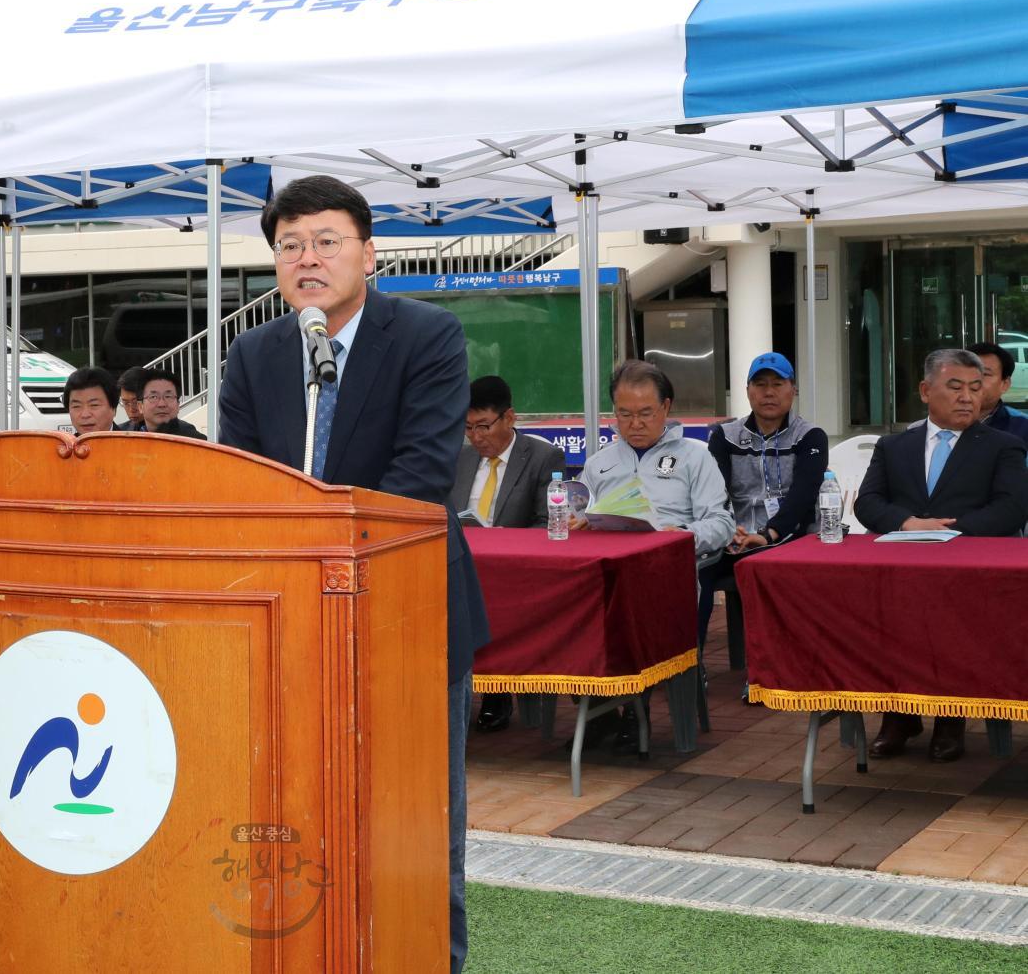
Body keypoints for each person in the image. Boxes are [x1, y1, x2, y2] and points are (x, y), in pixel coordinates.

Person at [218, 175, 487, 973]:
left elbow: (422, 471)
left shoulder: (427, 336)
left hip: (408, 616)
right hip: (284, 623)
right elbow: (236, 481)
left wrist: (322, 552)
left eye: (327, 241)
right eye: (290, 245)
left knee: (418, 824)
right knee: (290, 816)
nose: (308, 258)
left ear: (368, 252)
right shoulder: (254, 352)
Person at [855, 348, 1028, 762]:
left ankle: (950, 719)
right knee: (884, 619)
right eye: (955, 387)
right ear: (925, 391)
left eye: (975, 386)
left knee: (953, 627)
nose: (968, 397)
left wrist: (949, 532)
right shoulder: (895, 446)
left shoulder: (1001, 446)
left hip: (968, 569)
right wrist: (908, 523)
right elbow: (868, 503)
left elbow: (1012, 509)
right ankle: (898, 715)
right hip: (903, 568)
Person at [574, 359, 734, 751]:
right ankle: (597, 710)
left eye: (646, 413)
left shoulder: (695, 456)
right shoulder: (599, 463)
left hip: (667, 577)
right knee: (569, 609)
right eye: (625, 414)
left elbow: (722, 524)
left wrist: (679, 536)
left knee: (632, 607)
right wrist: (579, 523)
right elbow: (578, 516)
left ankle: (635, 710)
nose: (635, 423)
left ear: (666, 407)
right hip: (607, 575)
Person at [452, 375, 566, 734]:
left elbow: (546, 523)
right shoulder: (458, 460)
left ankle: (497, 691)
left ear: (510, 418)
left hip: (513, 572)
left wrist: (503, 540)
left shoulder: (543, 457)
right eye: (468, 427)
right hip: (462, 562)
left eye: (484, 426)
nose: (476, 436)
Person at [702, 353, 828, 645]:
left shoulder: (810, 436)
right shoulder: (724, 435)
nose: (768, 392)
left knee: (768, 571)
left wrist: (769, 534)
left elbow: (804, 495)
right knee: (693, 571)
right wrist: (726, 529)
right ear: (747, 391)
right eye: (759, 384)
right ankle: (689, 666)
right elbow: (713, 489)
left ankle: (766, 672)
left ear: (793, 390)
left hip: (788, 537)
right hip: (733, 537)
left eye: (777, 384)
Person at [967, 341, 1028, 445]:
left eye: (985, 374)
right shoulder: (941, 421)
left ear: (1005, 384)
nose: (973, 381)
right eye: (967, 373)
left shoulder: (1023, 427)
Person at [131, 368, 205, 438]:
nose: (162, 404)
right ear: (140, 406)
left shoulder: (195, 442)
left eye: (168, 396)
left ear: (178, 404)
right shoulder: (129, 439)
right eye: (153, 397)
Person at [63, 367, 126, 433]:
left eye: (94, 405)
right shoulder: (67, 443)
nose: (85, 415)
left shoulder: (131, 443)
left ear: (113, 409)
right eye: (76, 406)